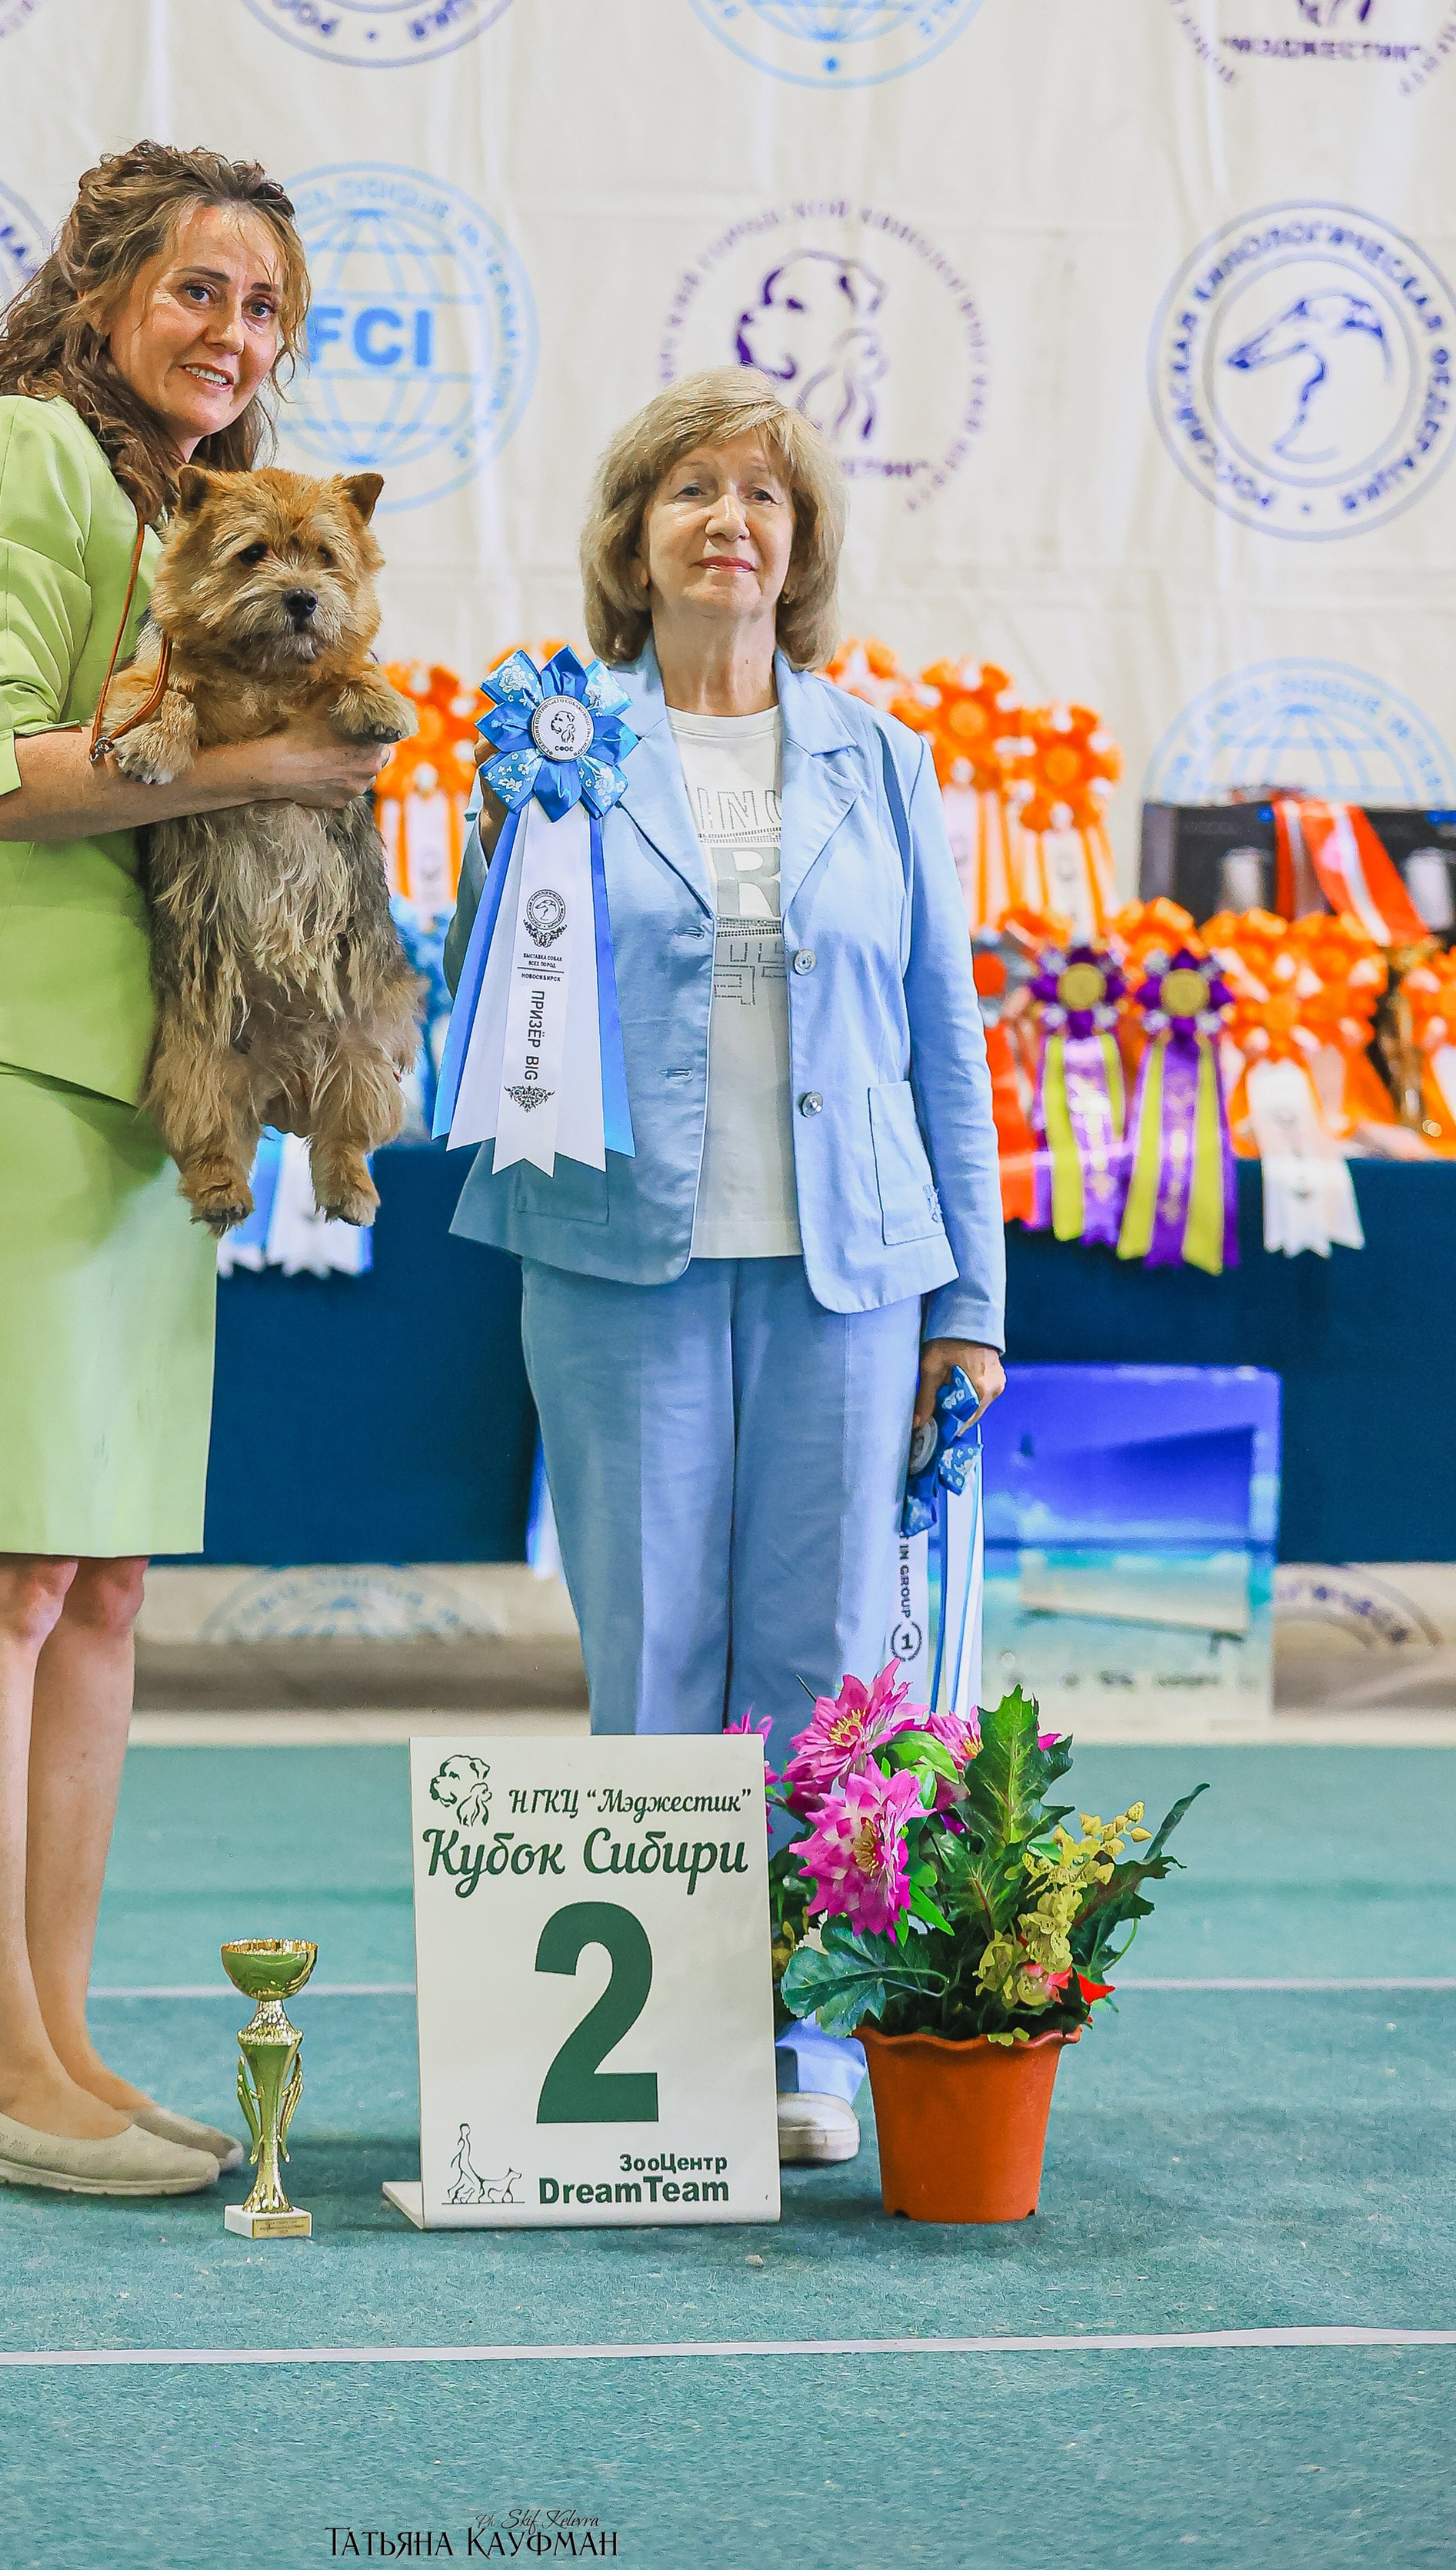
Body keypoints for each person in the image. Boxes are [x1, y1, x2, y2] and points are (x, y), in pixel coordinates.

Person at [0, 142, 397, 2198]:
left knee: (98, 1588)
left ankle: (60, 2047)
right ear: (100, 297)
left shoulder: (206, 513)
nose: (232, 336)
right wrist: (275, 759)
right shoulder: (21, 456)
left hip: (153, 1092)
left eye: (264, 309)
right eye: (197, 293)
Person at [442, 370, 1005, 2169]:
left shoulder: (879, 757)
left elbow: (942, 1044)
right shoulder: (553, 745)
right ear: (631, 541)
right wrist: (493, 831)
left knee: (825, 1668)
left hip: (853, 1275)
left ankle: (813, 2051)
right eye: (690, 489)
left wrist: (969, 1305)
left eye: (761, 496)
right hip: (616, 1265)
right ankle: (665, 2054)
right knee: (653, 1653)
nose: (728, 520)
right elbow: (490, 1014)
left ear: (799, 548)